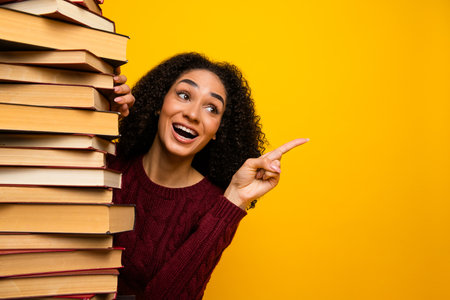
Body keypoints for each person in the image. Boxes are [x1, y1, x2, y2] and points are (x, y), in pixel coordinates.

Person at [109, 52, 308, 299]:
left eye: (211, 108)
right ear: (160, 103)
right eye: (184, 95)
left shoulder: (215, 207)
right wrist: (98, 119)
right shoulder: (108, 161)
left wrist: (235, 200)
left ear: (216, 131)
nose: (193, 114)